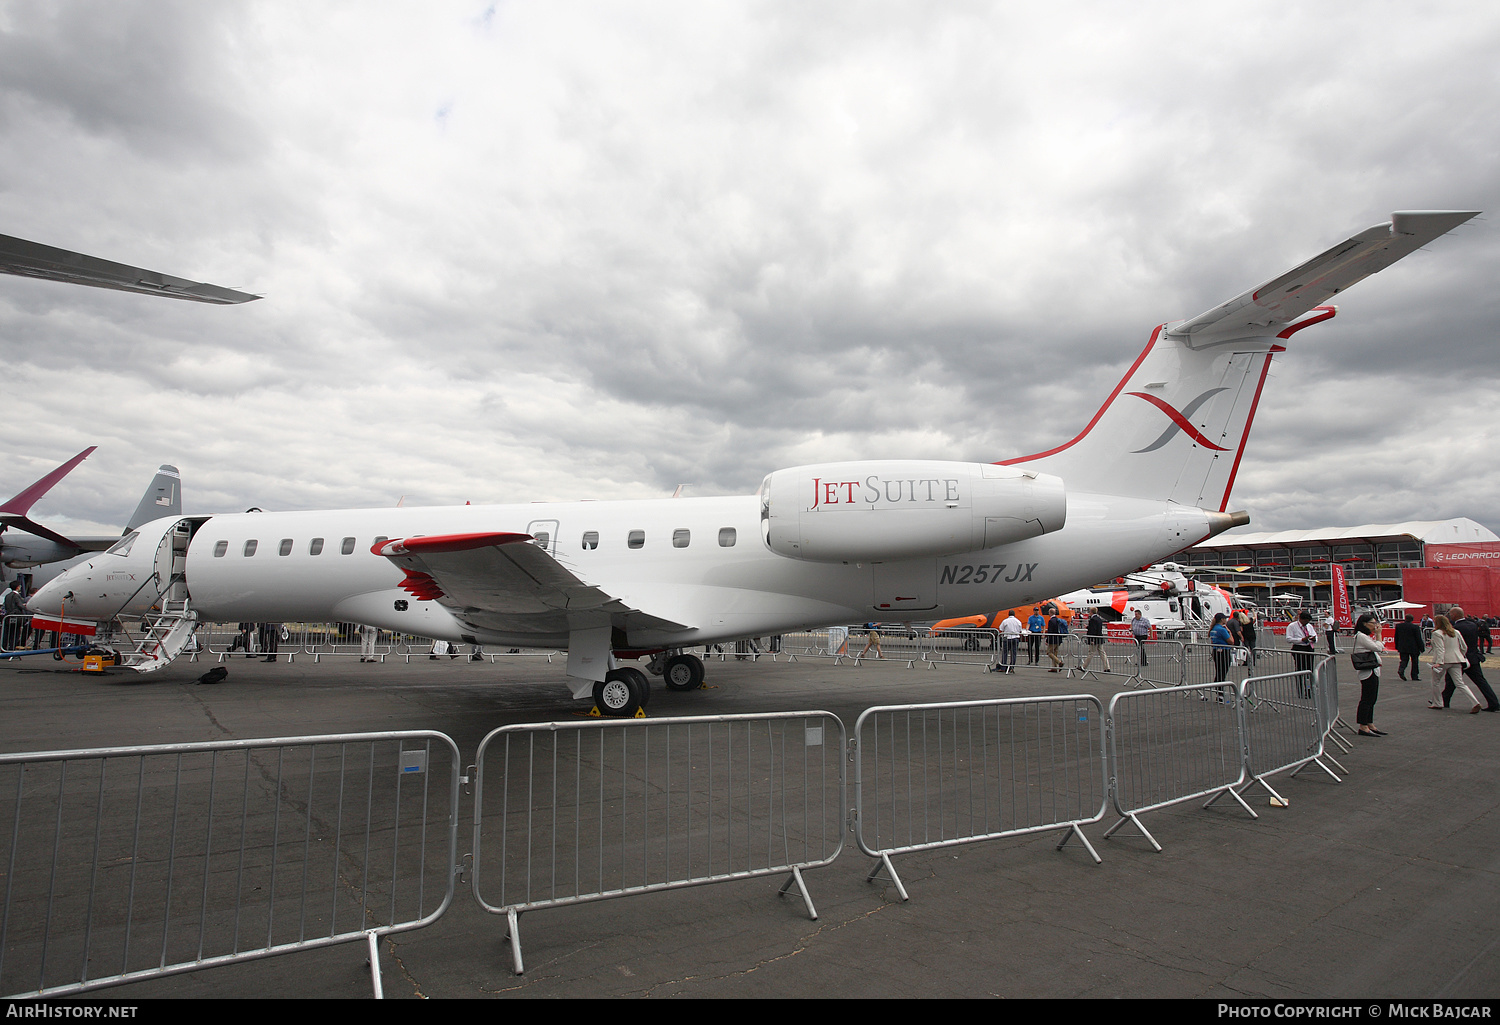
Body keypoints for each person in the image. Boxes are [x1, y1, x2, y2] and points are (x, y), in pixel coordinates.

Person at [1445, 607, 1500, 712]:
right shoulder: (1472, 625)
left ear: (1455, 615)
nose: (1450, 616)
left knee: (1451, 680)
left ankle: (1444, 701)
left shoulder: (1456, 628)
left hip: (1461, 658)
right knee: (1480, 682)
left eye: (1451, 614)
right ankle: (1494, 702)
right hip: (1473, 657)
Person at [1428, 615, 1484, 714]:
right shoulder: (1456, 632)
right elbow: (1464, 647)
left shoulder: (1437, 633)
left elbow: (1441, 649)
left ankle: (1437, 703)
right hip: (1456, 659)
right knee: (1460, 683)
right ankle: (1475, 702)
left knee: (1435, 682)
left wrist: (1439, 662)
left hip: (1444, 661)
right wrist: (1460, 656)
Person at [1351, 613, 1387, 736]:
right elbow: (1378, 648)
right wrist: (1379, 635)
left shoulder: (1365, 636)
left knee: (1372, 698)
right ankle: (1363, 725)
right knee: (1367, 698)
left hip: (1373, 670)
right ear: (1365, 624)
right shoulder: (1361, 636)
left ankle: (1369, 723)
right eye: (1373, 623)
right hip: (1367, 671)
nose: (1376, 626)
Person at [1393, 614, 1425, 681]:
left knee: (1404, 660)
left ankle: (1401, 669)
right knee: (1415, 662)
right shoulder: (1415, 627)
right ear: (1412, 620)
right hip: (1413, 647)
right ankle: (1414, 675)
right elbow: (1418, 638)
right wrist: (1422, 648)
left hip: (1402, 646)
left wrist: (1397, 646)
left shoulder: (1399, 626)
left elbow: (1396, 637)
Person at [1287, 611, 1317, 675]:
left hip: (1309, 647)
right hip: (1299, 648)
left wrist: (1314, 639)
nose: (1307, 623)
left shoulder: (1309, 626)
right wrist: (1301, 640)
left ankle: (1309, 684)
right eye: (1306, 621)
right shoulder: (1292, 626)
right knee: (1300, 668)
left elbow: (1314, 635)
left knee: (1310, 668)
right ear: (1301, 619)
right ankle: (1300, 683)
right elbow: (1288, 639)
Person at [1209, 613, 1233, 686]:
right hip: (1224, 651)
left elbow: (1212, 641)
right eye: (1225, 618)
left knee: (1219, 670)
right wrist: (1229, 632)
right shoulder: (1222, 629)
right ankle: (1219, 688)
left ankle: (1218, 688)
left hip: (1216, 651)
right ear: (1222, 619)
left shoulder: (1213, 629)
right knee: (1223, 671)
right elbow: (1231, 641)